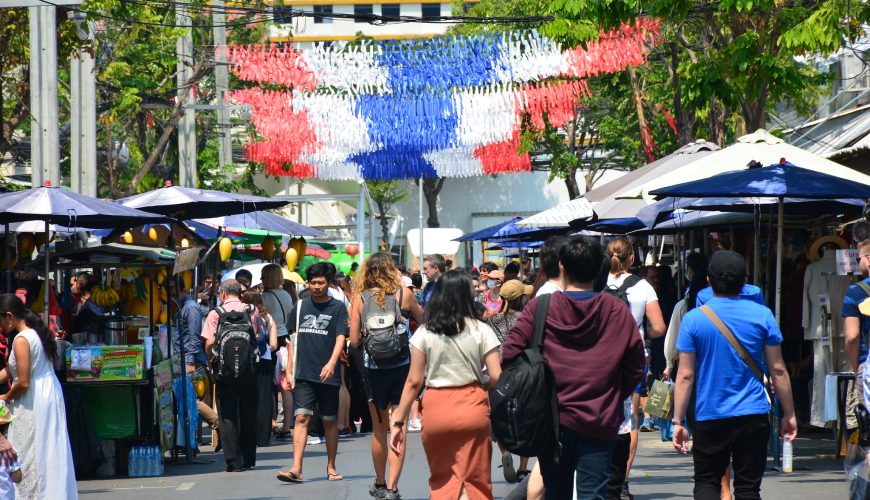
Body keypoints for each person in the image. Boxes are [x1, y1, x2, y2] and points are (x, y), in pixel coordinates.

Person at [503, 235, 644, 500]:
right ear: (599, 268)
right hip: (600, 418)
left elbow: (510, 355)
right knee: (594, 494)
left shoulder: (541, 307)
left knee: (556, 493)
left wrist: (537, 387)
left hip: (551, 420)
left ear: (562, 266)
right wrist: (612, 393)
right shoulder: (616, 310)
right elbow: (636, 365)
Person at [672, 250, 797, 500]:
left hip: (709, 413)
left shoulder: (694, 319)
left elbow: (685, 375)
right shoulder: (762, 315)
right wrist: (790, 414)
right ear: (745, 282)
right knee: (748, 488)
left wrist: (678, 421)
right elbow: (778, 368)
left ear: (709, 280)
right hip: (753, 413)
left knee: (706, 482)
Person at [390, 270, 501, 500]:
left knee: (444, 478)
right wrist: (481, 383)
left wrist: (399, 420)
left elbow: (414, 381)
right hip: (473, 405)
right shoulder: (482, 330)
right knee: (475, 479)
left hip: (437, 408)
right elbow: (496, 376)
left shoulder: (425, 332)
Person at [349, 253, 424, 500]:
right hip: (402, 367)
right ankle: (393, 488)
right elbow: (424, 322)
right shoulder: (404, 294)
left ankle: (380, 483)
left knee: (379, 430)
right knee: (398, 426)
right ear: (392, 270)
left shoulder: (359, 298)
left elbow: (355, 341)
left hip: (374, 370)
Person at [0, 294, 77, 499]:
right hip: (47, 392)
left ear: (9, 316)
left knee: (31, 450)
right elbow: (12, 370)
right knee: (48, 447)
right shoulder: (35, 333)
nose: (1, 326)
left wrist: (5, 397)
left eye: (1, 320)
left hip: (34, 398)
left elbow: (23, 382)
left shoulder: (21, 340)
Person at [606, 237, 666, 500]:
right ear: (631, 258)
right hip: (632, 357)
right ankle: (622, 480)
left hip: (599, 359)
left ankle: (600, 473)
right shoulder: (643, 287)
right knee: (630, 417)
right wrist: (641, 333)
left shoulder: (595, 282)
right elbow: (659, 327)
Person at [277, 263, 348, 484]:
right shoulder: (299, 307)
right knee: (301, 417)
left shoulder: (338, 308)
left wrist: (332, 363)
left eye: (320, 282)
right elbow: (292, 340)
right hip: (303, 372)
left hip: (328, 373)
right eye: (313, 282)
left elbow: (341, 338)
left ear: (328, 283)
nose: (316, 286)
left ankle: (331, 466)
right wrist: (290, 369)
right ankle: (296, 468)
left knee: (329, 421)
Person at [202, 279, 262, 472]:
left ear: (222, 293)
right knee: (248, 413)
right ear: (240, 293)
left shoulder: (215, 313)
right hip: (248, 370)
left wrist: (212, 362)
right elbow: (257, 335)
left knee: (227, 415)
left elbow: (209, 343)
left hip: (224, 372)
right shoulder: (252, 310)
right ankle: (249, 459)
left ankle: (234, 462)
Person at [488, 279, 532, 484]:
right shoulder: (526, 319)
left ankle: (505, 452)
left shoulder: (492, 320)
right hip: (522, 373)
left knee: (499, 417)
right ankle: (523, 469)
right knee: (525, 419)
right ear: (521, 298)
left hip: (498, 372)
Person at [170, 281, 219, 435]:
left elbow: (194, 337)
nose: (172, 296)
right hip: (182, 358)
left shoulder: (190, 308)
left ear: (183, 290)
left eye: (174, 293)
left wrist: (190, 361)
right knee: (186, 399)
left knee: (189, 398)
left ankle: (217, 423)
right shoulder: (181, 306)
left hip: (189, 360)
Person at [261, 264, 296, 440]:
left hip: (271, 340)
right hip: (286, 338)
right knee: (285, 385)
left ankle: (272, 422)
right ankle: (287, 425)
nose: (261, 279)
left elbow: (263, 320)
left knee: (269, 384)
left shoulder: (265, 297)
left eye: (263, 276)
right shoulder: (286, 295)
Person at [242, 289, 279, 447]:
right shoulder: (268, 317)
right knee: (264, 398)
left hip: (245, 361)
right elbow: (274, 344)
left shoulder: (242, 316)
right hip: (264, 360)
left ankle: (248, 434)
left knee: (247, 397)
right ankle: (263, 436)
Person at [845, 239, 870, 431]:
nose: (858, 263)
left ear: (868, 260)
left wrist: (856, 368)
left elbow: (852, 336)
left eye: (859, 259)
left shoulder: (855, 291)